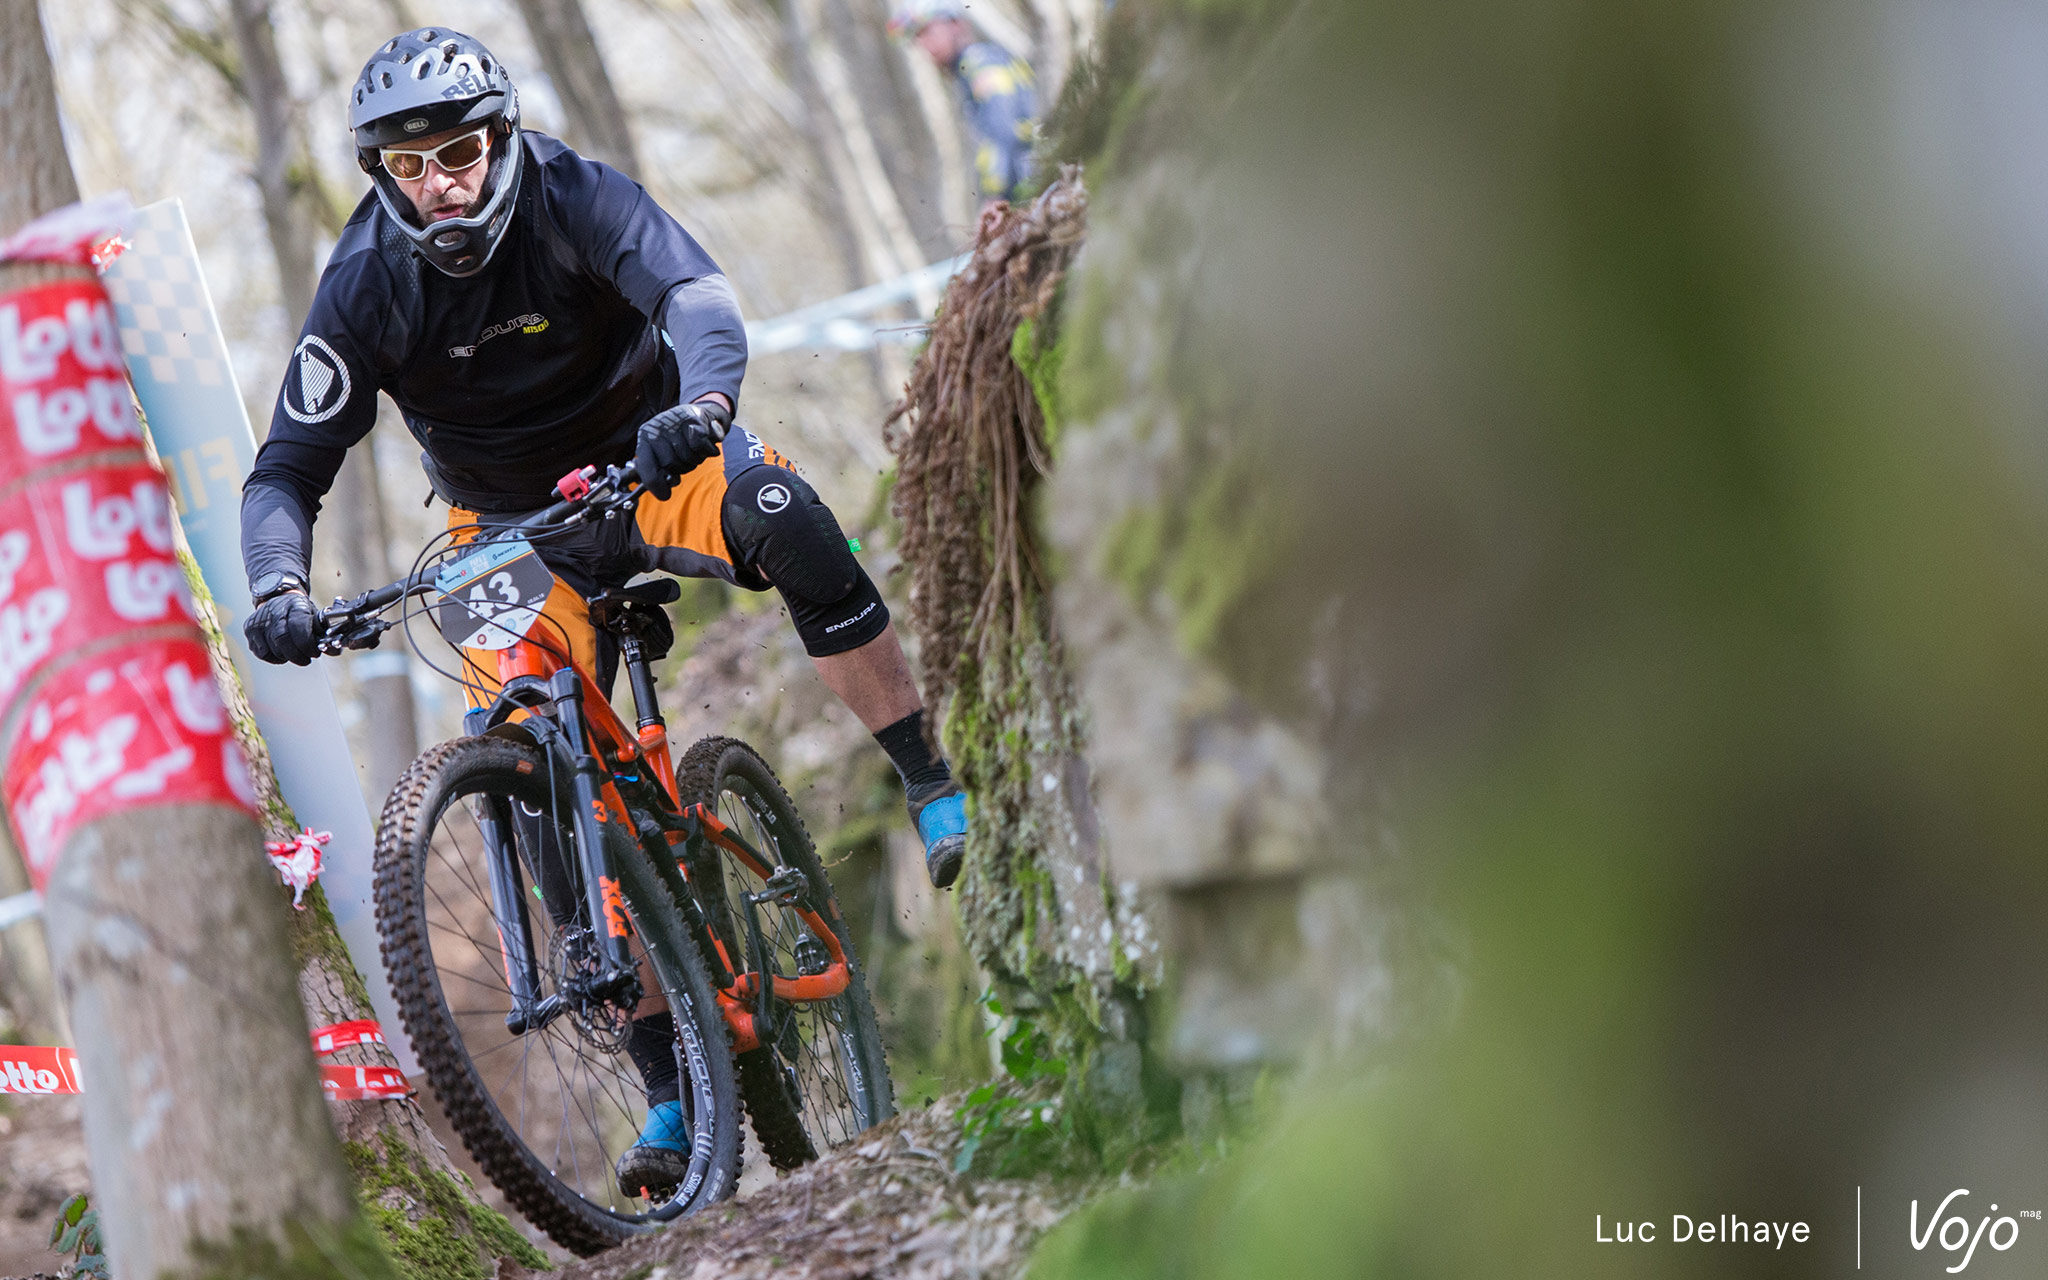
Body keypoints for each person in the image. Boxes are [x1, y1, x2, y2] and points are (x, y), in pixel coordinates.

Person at [237, 27, 967, 1196]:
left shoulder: (573, 195)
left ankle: (928, 776)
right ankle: (667, 1083)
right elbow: (286, 468)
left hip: (649, 458)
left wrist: (705, 403)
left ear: (500, 138)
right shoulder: (363, 280)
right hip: (500, 526)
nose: (439, 184)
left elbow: (695, 293)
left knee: (784, 514)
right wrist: (278, 582)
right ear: (380, 171)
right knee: (521, 754)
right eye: (410, 165)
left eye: (459, 153)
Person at [889, 0, 1039, 206]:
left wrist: (996, 195)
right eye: (918, 38)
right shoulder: (970, 69)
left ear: (955, 24)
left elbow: (1003, 129)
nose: (925, 44)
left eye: (928, 31)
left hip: (1033, 184)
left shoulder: (981, 63)